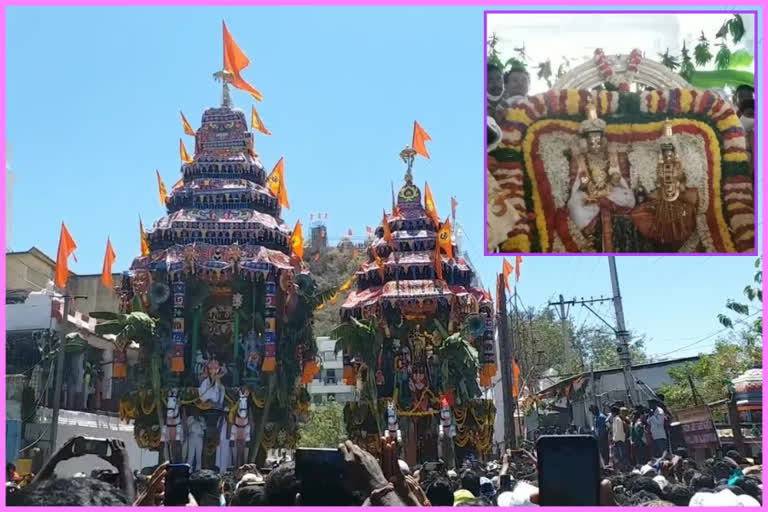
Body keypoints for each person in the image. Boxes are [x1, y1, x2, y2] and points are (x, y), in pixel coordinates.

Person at [611, 406, 628, 470]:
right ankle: (622, 469)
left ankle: (625, 469)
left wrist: (614, 439)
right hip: (618, 440)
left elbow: (618, 431)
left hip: (619, 440)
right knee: (619, 456)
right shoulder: (616, 419)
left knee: (622, 456)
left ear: (614, 412)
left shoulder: (617, 419)